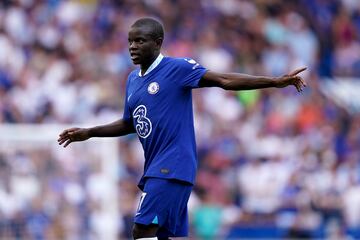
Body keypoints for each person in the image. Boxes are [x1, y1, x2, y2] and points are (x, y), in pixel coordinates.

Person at [57, 17, 306, 240]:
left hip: (172, 165)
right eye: (130, 41)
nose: (132, 47)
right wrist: (89, 132)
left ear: (158, 43)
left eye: (140, 41)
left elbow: (224, 80)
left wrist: (274, 81)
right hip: (160, 167)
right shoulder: (133, 80)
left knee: (141, 230)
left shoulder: (177, 69)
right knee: (159, 235)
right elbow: (129, 123)